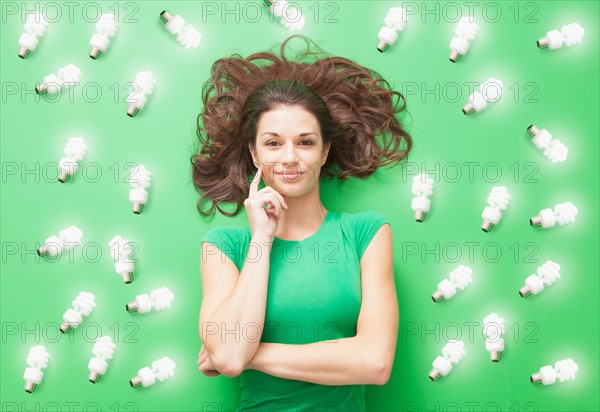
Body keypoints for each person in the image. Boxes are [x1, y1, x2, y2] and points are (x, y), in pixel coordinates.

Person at [192, 35, 412, 411]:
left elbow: (374, 363)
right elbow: (228, 356)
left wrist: (253, 354)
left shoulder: (366, 234)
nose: (290, 157)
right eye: (273, 143)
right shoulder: (224, 246)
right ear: (253, 152)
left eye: (305, 142)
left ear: (325, 151)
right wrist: (261, 240)